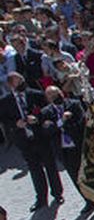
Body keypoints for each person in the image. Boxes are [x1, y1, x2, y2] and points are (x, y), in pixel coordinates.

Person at [0, 73, 62, 210]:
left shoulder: (35, 94)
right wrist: (15, 124)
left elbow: (47, 110)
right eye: (18, 82)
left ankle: (57, 193)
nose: (22, 83)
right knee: (35, 169)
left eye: (22, 80)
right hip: (23, 139)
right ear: (11, 85)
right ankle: (41, 198)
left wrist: (37, 118)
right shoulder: (5, 101)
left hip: (40, 136)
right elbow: (4, 120)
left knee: (50, 166)